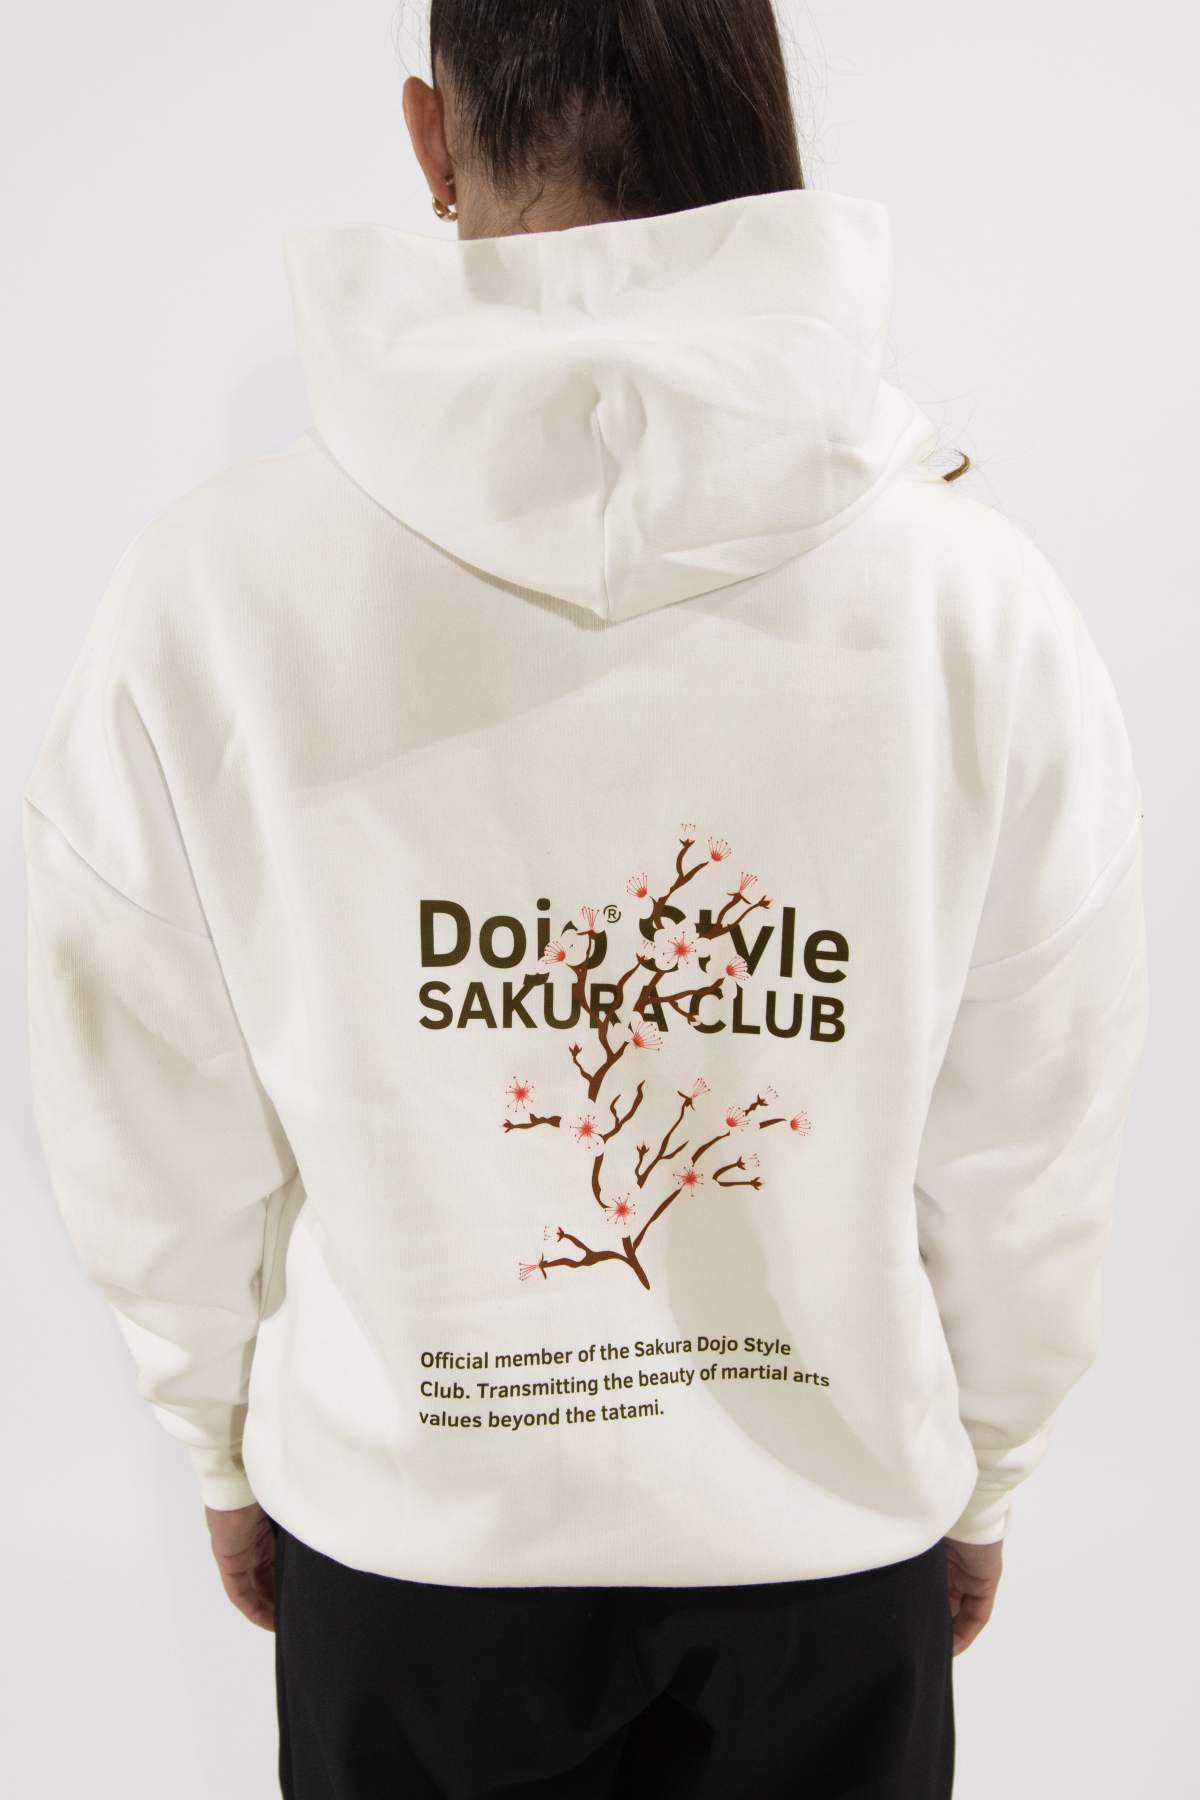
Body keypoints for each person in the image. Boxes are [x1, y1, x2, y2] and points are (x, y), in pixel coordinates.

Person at [25, 1, 1146, 1795]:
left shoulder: (212, 593)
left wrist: (217, 1436)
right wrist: (984, 1466)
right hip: (825, 1540)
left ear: (431, 136)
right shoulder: (975, 607)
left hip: (415, 1544)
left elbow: (144, 1095)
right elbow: (1035, 1122)